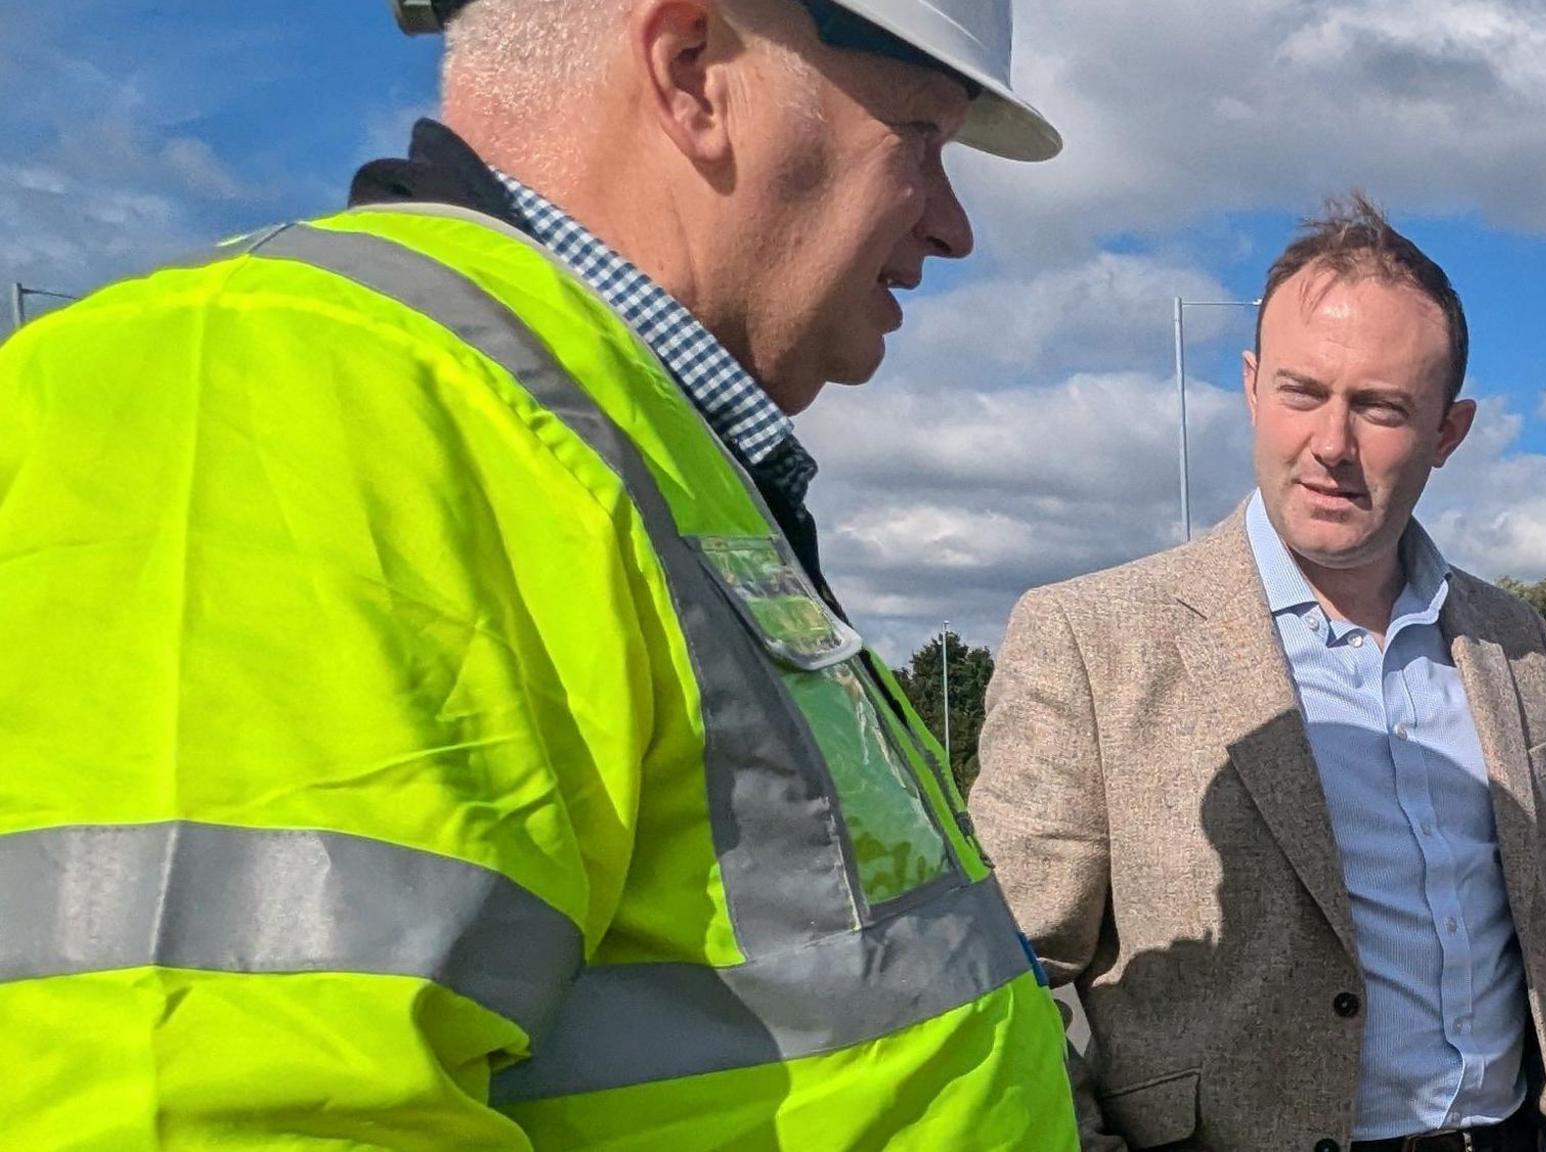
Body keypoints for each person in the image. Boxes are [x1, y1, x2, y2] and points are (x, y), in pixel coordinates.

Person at [0, 1, 1076, 1148]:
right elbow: (195, 1107)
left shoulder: (599, 435)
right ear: (693, 72)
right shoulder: (288, 389)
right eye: (919, 139)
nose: (954, 229)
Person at [971, 194, 1546, 1152]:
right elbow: (1001, 974)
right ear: (1251, 386)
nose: (1331, 446)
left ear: (1449, 432)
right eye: (1302, 393)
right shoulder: (1089, 639)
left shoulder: (1510, 642)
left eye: (1382, 408)